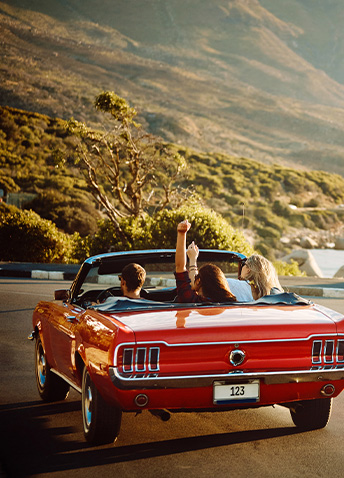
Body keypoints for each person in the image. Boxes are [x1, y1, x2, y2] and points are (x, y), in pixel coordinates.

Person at [175, 219, 236, 303]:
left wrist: (182, 233)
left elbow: (180, 267)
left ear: (199, 281)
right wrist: (193, 259)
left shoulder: (190, 300)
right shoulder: (230, 302)